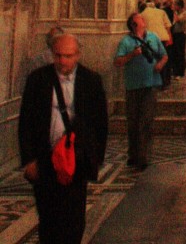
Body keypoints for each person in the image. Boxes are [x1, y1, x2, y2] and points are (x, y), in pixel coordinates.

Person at [19, 33, 108, 244]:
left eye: (68, 56)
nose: (63, 61)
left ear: (77, 55)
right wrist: (29, 159)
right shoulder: (38, 79)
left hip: (76, 158)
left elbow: (100, 123)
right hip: (46, 156)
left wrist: (95, 158)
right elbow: (26, 121)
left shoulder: (91, 80)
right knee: (48, 217)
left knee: (74, 216)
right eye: (58, 56)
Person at [114, 13, 167, 171]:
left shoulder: (153, 37)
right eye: (140, 19)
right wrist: (132, 55)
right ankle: (133, 154)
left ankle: (143, 156)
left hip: (150, 84)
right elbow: (117, 62)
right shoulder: (126, 41)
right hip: (133, 85)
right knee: (133, 121)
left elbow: (164, 55)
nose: (144, 21)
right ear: (134, 24)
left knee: (146, 120)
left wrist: (160, 65)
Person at [170, 0, 186, 78]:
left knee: (180, 53)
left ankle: (180, 72)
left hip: (180, 35)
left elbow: (178, 20)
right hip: (175, 35)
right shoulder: (176, 13)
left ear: (179, 6)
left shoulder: (184, 13)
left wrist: (174, 12)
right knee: (175, 53)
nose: (174, 6)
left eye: (175, 5)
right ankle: (175, 71)